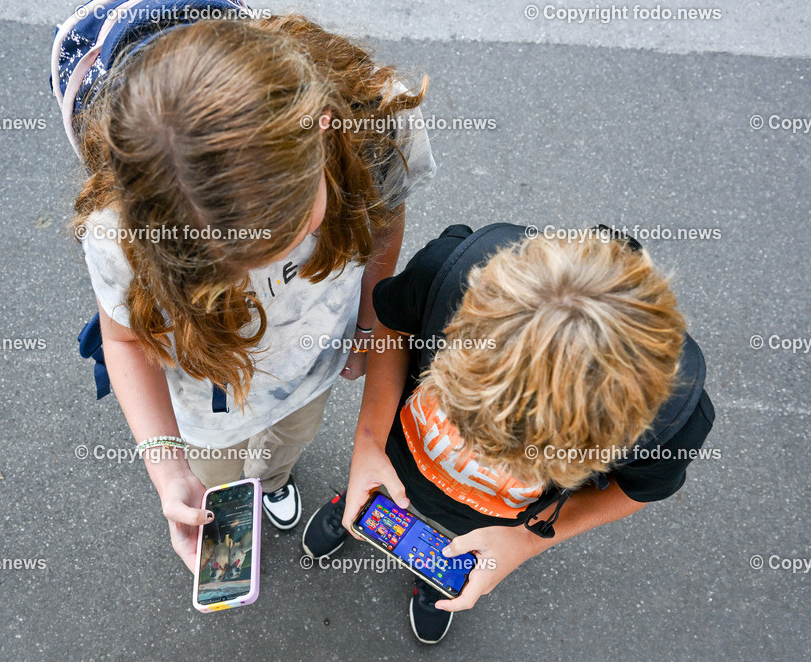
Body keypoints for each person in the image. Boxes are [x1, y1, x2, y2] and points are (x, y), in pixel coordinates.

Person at [69, 8, 436, 570]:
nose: (251, 276)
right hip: (203, 409)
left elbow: (383, 219)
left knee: (288, 443)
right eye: (218, 263)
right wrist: (169, 470)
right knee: (217, 473)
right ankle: (246, 488)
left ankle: (273, 482)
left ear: (322, 131)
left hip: (312, 371)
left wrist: (368, 323)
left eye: (287, 234)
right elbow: (121, 340)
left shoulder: (375, 127)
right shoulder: (118, 231)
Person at [301, 226, 715, 643]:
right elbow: (395, 325)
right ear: (473, 300)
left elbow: (636, 489)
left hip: (495, 517)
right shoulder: (446, 273)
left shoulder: (673, 421)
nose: (473, 450)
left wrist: (522, 543)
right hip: (399, 454)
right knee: (377, 500)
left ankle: (435, 577)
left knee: (455, 553)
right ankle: (356, 506)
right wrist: (369, 443)